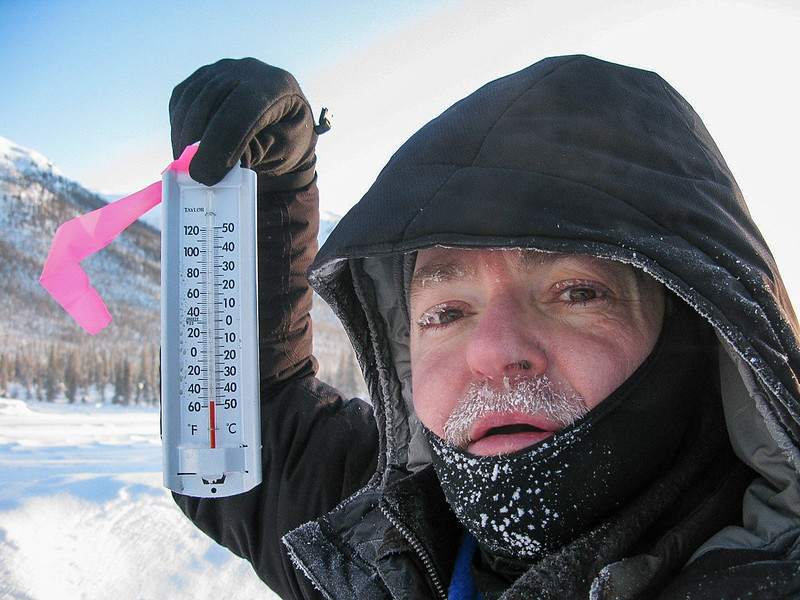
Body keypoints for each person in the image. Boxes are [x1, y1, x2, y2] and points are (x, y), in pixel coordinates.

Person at [168, 55, 800, 599]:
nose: (494, 352)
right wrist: (258, 196)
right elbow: (228, 448)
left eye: (576, 292)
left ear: (698, 328)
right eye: (446, 312)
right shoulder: (393, 545)